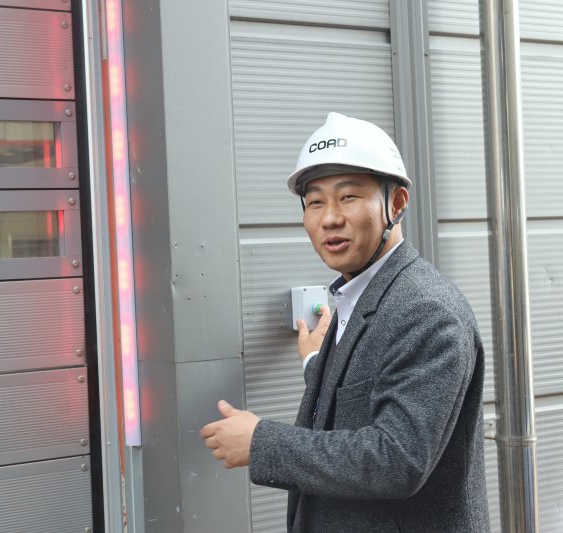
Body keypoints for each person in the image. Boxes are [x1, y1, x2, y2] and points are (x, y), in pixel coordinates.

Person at [200, 112, 489, 531]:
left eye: (349, 197)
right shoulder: (360, 294)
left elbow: (397, 459)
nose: (329, 218)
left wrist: (260, 442)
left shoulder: (426, 311)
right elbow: (373, 387)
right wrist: (317, 364)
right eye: (315, 202)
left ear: (396, 204)